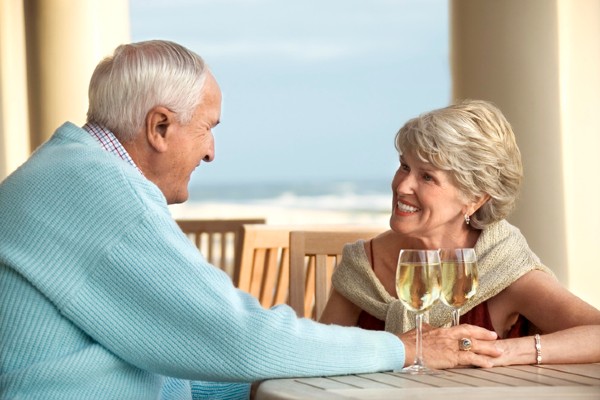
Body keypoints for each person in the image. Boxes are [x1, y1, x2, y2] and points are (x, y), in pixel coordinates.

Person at [0, 41, 501, 400]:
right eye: (207, 129)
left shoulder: (73, 173)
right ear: (159, 126)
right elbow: (243, 341)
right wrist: (405, 349)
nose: (212, 152)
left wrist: (260, 384)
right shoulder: (102, 195)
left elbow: (166, 353)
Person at [320, 99, 600, 366]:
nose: (402, 186)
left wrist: (501, 351)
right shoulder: (363, 265)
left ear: (475, 198)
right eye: (404, 166)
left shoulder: (501, 264)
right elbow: (320, 355)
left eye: (427, 176)